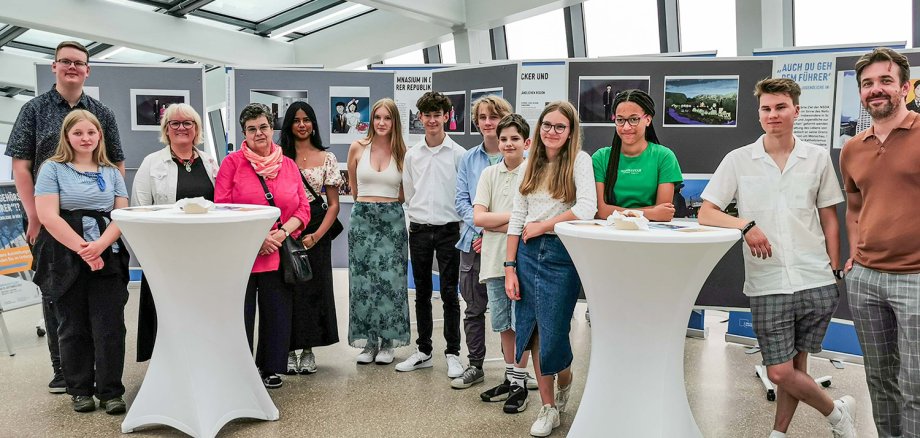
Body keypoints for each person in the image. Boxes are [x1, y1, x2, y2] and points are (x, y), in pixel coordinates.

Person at [698, 78, 855, 438]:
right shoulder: (738, 160)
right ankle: (838, 413)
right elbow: (707, 212)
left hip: (814, 276)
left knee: (799, 364)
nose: (773, 114)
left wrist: (834, 269)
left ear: (796, 111)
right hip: (767, 280)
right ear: (759, 113)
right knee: (780, 371)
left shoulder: (816, 158)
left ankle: (778, 433)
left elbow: (829, 217)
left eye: (780, 107)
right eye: (766, 108)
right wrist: (745, 225)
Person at [5, 40, 124, 395]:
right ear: (54, 67)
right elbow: (21, 166)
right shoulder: (34, 109)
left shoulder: (102, 112)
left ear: (87, 70)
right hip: (51, 216)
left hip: (98, 223)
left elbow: (115, 160)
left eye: (79, 63)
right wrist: (35, 216)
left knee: (102, 308)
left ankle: (103, 379)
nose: (72, 67)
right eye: (65, 62)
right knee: (57, 294)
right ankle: (64, 372)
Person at [504, 101, 597, 436]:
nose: (552, 132)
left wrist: (545, 225)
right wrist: (510, 267)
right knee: (532, 331)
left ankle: (566, 378)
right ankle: (547, 408)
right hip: (526, 254)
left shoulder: (580, 161)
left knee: (555, 330)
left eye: (560, 126)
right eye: (547, 125)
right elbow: (516, 219)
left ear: (570, 131)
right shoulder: (529, 165)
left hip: (562, 253)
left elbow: (587, 208)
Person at [840, 47, 920, 438]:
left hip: (916, 279)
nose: (876, 89)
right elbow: (854, 206)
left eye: (885, 81)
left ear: (905, 87)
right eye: (867, 83)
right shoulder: (853, 149)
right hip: (867, 280)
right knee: (879, 379)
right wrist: (854, 254)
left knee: (916, 385)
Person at [32, 110, 130, 414]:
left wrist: (100, 246)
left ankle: (111, 391)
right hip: (63, 257)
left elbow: (121, 214)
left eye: (91, 132)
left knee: (110, 326)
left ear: (99, 135)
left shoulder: (111, 171)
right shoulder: (52, 169)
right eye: (78, 133)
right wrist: (84, 250)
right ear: (67, 136)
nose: (85, 138)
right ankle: (80, 389)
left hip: (107, 254)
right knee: (72, 325)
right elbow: (48, 216)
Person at [214, 103, 310, 389]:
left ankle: (270, 367)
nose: (259, 133)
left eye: (264, 127)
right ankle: (239, 368)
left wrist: (279, 235)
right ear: (244, 133)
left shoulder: (289, 165)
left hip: (278, 251)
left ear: (272, 129)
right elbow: (222, 206)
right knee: (240, 313)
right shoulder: (232, 163)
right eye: (252, 129)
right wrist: (257, 238)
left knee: (276, 312)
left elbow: (303, 209)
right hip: (243, 252)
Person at [131, 103, 219, 362]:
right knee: (167, 310)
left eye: (187, 123)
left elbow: (221, 205)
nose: (181, 128)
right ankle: (167, 361)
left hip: (204, 254)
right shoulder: (151, 164)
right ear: (166, 130)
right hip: (165, 253)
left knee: (200, 310)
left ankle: (201, 358)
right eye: (175, 124)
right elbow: (140, 209)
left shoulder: (210, 162)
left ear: (197, 129)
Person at [396, 91, 466, 378]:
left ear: (447, 116)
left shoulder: (459, 154)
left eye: (438, 114)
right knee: (421, 293)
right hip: (420, 229)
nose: (433, 120)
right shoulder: (412, 155)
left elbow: (463, 194)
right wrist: (420, 216)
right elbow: (409, 193)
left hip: (450, 230)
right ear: (420, 118)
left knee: (450, 293)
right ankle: (423, 350)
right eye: (428, 115)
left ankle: (452, 353)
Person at [473, 113, 535, 413]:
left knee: (521, 320)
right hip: (494, 260)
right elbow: (478, 218)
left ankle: (521, 382)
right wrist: (515, 219)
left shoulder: (533, 174)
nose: (508, 144)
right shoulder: (489, 175)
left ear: (527, 142)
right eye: (503, 139)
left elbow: (533, 221)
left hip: (523, 261)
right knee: (503, 323)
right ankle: (511, 378)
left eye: (514, 139)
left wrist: (496, 223)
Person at [451, 95, 513, 389]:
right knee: (474, 308)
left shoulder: (516, 158)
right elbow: (461, 200)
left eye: (494, 117)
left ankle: (513, 370)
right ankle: (475, 365)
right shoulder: (468, 158)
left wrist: (491, 232)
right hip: (471, 243)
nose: (488, 123)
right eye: (483, 118)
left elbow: (518, 205)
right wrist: (479, 231)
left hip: (505, 244)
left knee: (509, 309)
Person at [279, 102, 343, 375]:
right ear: (289, 125)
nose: (302, 125)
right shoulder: (279, 156)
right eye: (296, 120)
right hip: (285, 227)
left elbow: (334, 205)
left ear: (314, 124)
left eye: (307, 119)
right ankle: (288, 349)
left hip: (316, 230)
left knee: (315, 289)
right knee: (287, 289)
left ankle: (308, 350)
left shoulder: (326, 158)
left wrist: (317, 236)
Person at [346, 98, 410, 365]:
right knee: (363, 284)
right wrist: (369, 208)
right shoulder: (357, 148)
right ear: (371, 120)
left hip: (392, 221)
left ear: (395, 121)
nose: (382, 123)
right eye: (377, 118)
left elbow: (404, 193)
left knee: (391, 284)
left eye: (387, 118)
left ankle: (388, 342)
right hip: (362, 219)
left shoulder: (403, 153)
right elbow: (353, 188)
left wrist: (386, 210)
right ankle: (370, 342)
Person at [592, 89, 682, 222]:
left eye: (634, 119)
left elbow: (663, 213)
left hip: (650, 235)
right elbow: (600, 211)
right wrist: (650, 212)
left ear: (648, 119)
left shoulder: (664, 157)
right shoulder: (600, 158)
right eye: (620, 120)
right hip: (610, 235)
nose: (626, 127)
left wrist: (616, 211)